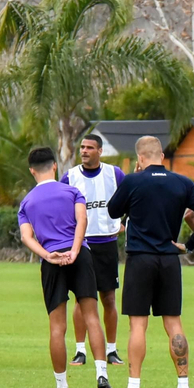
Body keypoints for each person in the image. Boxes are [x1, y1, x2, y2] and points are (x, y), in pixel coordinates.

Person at [102, 135, 194, 388]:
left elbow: (113, 211)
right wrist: (189, 245)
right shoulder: (182, 182)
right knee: (173, 323)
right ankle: (184, 387)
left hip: (140, 259)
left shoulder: (133, 181)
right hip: (169, 259)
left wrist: (133, 179)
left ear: (140, 158)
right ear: (162, 156)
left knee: (138, 325)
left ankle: (134, 387)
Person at [19, 146, 110, 388]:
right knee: (92, 317)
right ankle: (102, 374)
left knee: (57, 327)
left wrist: (48, 255)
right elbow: (82, 220)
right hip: (80, 256)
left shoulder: (27, 202)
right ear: (54, 166)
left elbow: (26, 237)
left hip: (52, 261)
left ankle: (62, 387)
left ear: (32, 171)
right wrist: (75, 249)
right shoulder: (72, 191)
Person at [62, 135, 125, 367]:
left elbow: (131, 199)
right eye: (82, 147)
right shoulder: (70, 177)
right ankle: (80, 350)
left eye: (89, 147)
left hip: (107, 243)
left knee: (109, 298)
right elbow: (61, 207)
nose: (84, 151)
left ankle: (111, 350)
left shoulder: (114, 174)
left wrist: (123, 223)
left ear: (100, 151)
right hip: (82, 244)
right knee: (81, 299)